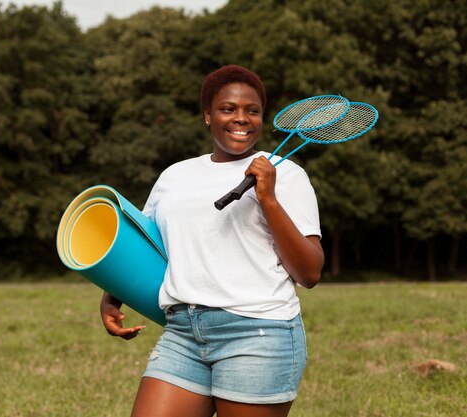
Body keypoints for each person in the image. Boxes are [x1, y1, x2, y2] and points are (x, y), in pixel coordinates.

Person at [100, 65, 324, 417]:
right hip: (183, 332)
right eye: (228, 109)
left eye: (252, 111)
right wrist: (112, 295)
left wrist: (269, 199)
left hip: (258, 333)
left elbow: (310, 272)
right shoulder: (174, 177)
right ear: (207, 115)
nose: (242, 118)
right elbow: (147, 243)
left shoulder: (287, 175)